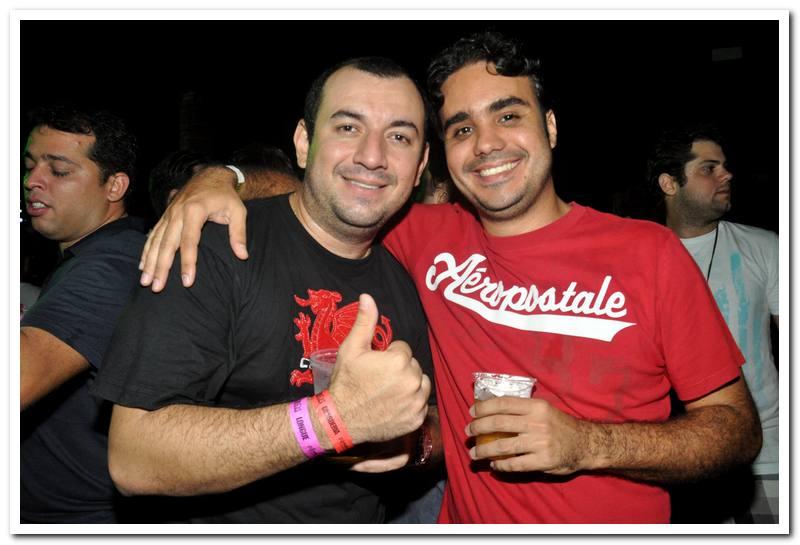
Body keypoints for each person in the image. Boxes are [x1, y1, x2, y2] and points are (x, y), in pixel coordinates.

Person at [138, 32, 761, 524]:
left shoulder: (649, 252)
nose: (485, 144)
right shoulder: (423, 234)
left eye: (508, 116)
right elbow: (332, 191)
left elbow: (736, 432)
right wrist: (219, 179)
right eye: (462, 127)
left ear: (550, 126)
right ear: (439, 157)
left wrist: (588, 445)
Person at [91, 57, 441, 523]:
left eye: (399, 137)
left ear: (419, 167)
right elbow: (134, 458)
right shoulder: (214, 245)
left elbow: (434, 416)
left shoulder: (414, 274)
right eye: (347, 127)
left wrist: (418, 443)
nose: (372, 156)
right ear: (304, 142)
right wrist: (331, 420)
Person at [20, 104, 146, 523]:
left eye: (58, 171)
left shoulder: (110, 264)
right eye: (30, 166)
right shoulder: (90, 255)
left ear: (115, 186)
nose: (32, 181)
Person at [649, 122, 779, 523]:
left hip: (769, 454)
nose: (727, 175)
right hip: (675, 457)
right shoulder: (635, 258)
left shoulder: (766, 248)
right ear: (670, 183)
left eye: (725, 166)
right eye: (709, 168)